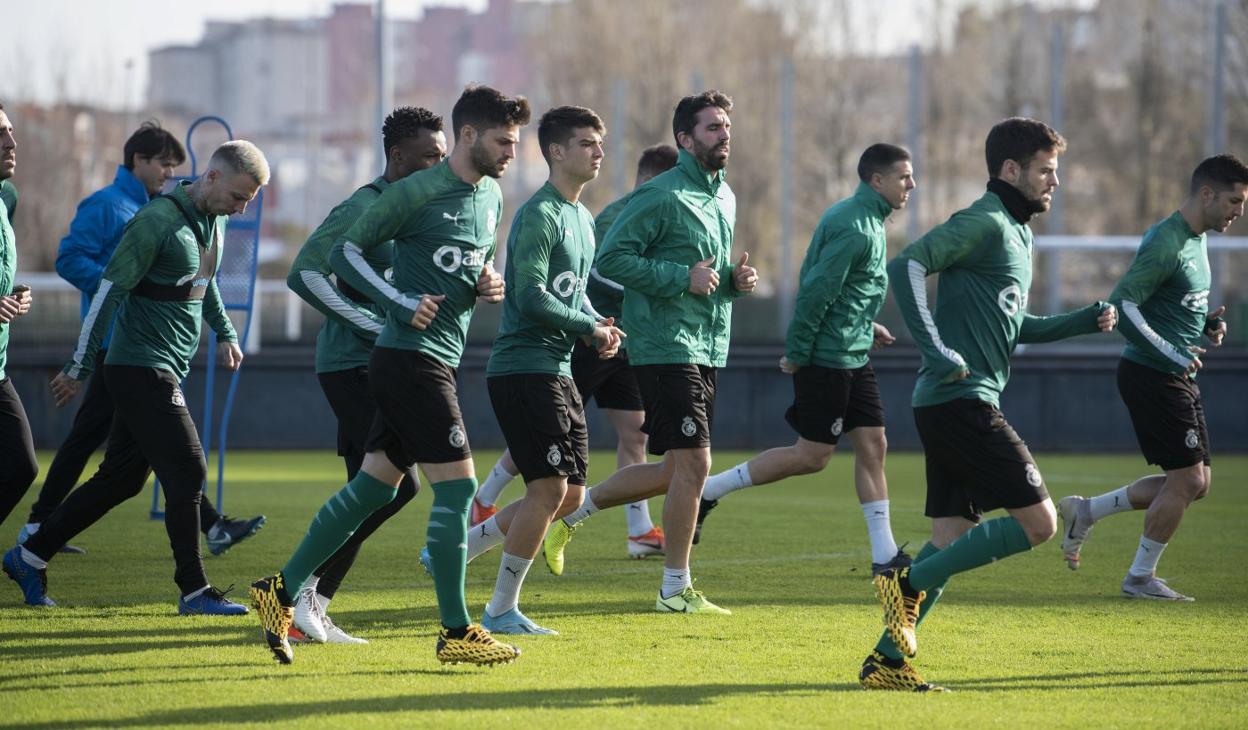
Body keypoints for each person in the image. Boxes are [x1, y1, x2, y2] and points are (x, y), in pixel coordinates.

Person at [248, 85, 529, 666]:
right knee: (455, 489)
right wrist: (398, 303)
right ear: (470, 135)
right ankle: (456, 632)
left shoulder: (492, 196)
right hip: (408, 358)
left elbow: (477, 259)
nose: (511, 152)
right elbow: (343, 254)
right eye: (504, 141)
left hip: (437, 356)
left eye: (516, 142)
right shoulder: (416, 191)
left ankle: (278, 592)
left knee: (372, 489)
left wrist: (489, 281)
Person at [864, 117, 1117, 692]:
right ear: (1011, 170)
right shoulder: (983, 220)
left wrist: (1083, 321)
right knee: (1040, 523)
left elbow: (1012, 324)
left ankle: (887, 663)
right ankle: (902, 584)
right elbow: (905, 265)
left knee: (949, 542)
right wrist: (934, 346)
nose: (1055, 182)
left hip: (951, 401)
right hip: (961, 401)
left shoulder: (1016, 231)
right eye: (1046, 171)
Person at [3, 141, 270, 615]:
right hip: (136, 365)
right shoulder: (155, 222)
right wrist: (79, 366)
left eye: (249, 199)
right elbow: (109, 292)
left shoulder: (216, 221)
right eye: (238, 196)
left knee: (121, 480)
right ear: (210, 177)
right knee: (188, 467)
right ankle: (194, 590)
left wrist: (225, 333)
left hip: (167, 364)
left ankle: (29, 555)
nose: (241, 207)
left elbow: (202, 285)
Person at [541, 90, 758, 614]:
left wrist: (732, 280)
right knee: (696, 464)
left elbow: (708, 277)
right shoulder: (660, 194)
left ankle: (570, 517)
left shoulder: (725, 196)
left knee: (675, 471)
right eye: (712, 128)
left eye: (726, 126)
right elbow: (613, 259)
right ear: (685, 139)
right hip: (664, 344)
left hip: (709, 343)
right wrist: (683, 278)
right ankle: (674, 588)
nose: (724, 135)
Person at [426, 105, 622, 636]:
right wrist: (588, 329)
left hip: (557, 369)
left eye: (599, 143)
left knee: (571, 495)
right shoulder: (541, 214)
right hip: (524, 368)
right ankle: (500, 610)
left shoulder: (582, 217)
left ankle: (458, 552)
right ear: (556, 152)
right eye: (587, 143)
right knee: (548, 489)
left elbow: (571, 292)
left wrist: (594, 322)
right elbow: (531, 296)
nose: (598, 152)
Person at [695, 143, 915, 576]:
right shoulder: (854, 224)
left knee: (874, 444)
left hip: (853, 353)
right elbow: (816, 292)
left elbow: (849, 291)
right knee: (812, 456)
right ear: (878, 180)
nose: (912, 185)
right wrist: (797, 353)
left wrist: (867, 326)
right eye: (905, 177)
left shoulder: (869, 219)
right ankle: (709, 490)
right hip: (827, 358)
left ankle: (884, 555)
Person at [283, 106, 446, 643]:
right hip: (352, 365)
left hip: (389, 365)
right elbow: (304, 271)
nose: (439, 166)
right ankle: (301, 596)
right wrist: (377, 327)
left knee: (378, 488)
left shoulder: (425, 210)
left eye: (443, 157)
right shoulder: (363, 206)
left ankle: (307, 606)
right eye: (429, 157)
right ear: (397, 157)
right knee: (392, 489)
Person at [472, 143, 678, 559]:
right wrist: (661, 290)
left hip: (616, 336)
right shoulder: (614, 214)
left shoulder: (601, 214)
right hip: (576, 336)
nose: (599, 152)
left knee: (635, 430)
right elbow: (601, 273)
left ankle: (638, 530)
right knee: (549, 443)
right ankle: (486, 495)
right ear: (656, 179)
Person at [1057, 153, 1247, 601]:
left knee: (1196, 484)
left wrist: (1203, 327)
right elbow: (1122, 306)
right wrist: (1172, 351)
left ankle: (1087, 511)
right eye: (1234, 201)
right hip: (1151, 373)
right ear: (1206, 193)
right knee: (1188, 481)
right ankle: (1139, 578)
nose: (1238, 211)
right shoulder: (1167, 241)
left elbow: (1170, 306)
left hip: (1171, 371)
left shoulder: (1196, 239)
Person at [0, 103, 39, 551]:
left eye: (10, 131)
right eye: (1, 135)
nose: (12, 143)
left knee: (21, 464)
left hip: (0, 366)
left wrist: (16, 293)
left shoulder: (7, 196)